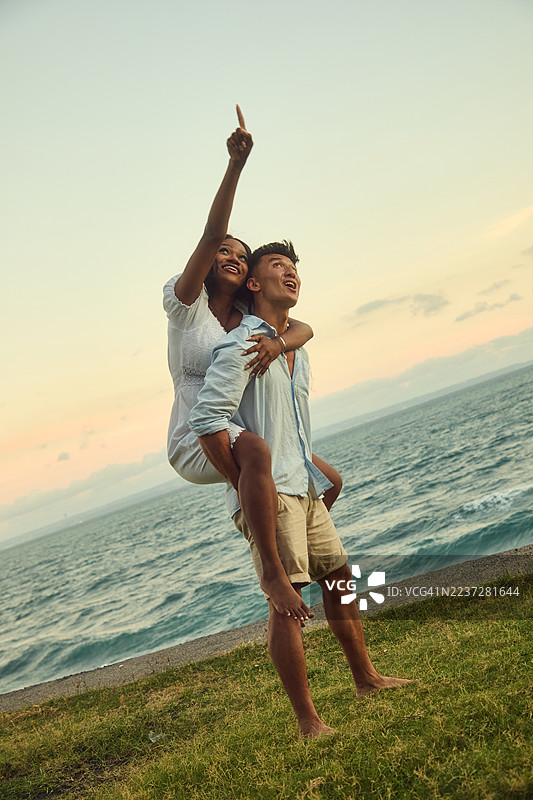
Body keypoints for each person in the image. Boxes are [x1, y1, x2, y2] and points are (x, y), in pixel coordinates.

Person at [189, 240, 411, 738]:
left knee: (339, 580)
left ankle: (366, 679)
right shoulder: (243, 343)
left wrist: (320, 469)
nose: (291, 274)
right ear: (253, 282)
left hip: (303, 488)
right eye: (277, 266)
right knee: (287, 602)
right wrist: (245, 485)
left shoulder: (295, 347)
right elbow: (207, 421)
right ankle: (308, 722)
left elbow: (288, 425)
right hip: (273, 495)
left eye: (294, 268)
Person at [163, 107, 342, 623]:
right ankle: (272, 567)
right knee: (260, 454)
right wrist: (235, 166)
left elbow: (299, 328)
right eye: (224, 250)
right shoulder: (185, 306)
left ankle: (291, 536)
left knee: (326, 480)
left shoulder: (245, 316)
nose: (232, 255)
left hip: (235, 429)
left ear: (248, 279)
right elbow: (208, 234)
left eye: (241, 254)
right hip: (198, 433)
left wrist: (283, 345)